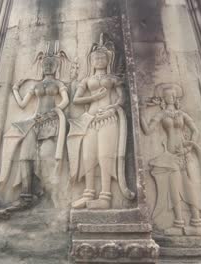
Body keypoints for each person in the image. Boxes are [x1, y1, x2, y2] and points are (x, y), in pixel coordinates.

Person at [140, 83, 201, 236]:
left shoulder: (182, 114)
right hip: (170, 156)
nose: (171, 98)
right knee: (174, 189)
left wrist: (188, 148)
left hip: (185, 153)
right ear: (163, 98)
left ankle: (197, 223)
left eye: (173, 95)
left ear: (176, 97)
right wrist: (140, 110)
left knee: (190, 187)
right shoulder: (162, 115)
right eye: (167, 96)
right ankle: (179, 223)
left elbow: (195, 131)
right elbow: (147, 130)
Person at [0, 42, 69, 212]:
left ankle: (50, 194)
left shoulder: (58, 84)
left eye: (51, 64)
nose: (48, 66)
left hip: (51, 121)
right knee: (25, 157)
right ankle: (26, 196)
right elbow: (22, 104)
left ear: (56, 66)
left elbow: (65, 100)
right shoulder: (36, 85)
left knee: (46, 157)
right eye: (45, 64)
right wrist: (15, 89)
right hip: (35, 122)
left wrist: (57, 110)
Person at [68, 33, 134, 210]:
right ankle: (88, 192)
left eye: (102, 57)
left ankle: (105, 196)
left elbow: (122, 98)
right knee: (88, 156)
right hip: (90, 120)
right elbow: (76, 99)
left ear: (108, 60)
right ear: (91, 61)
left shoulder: (113, 79)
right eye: (95, 58)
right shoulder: (87, 80)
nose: (98, 60)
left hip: (109, 119)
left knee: (105, 156)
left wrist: (112, 108)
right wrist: (94, 97)